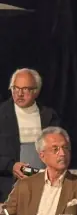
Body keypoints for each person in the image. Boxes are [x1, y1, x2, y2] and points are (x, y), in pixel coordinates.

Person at [0, 127, 77, 215]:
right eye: (55, 149)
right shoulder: (24, 185)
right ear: (42, 156)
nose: (62, 153)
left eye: (65, 148)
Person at [0, 68, 61, 200]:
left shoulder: (48, 116)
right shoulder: (1, 115)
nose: (19, 94)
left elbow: (59, 149)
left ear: (36, 91)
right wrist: (11, 166)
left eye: (25, 89)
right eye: (15, 88)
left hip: (44, 188)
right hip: (7, 189)